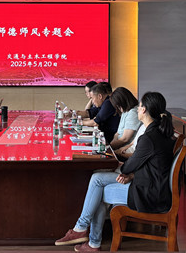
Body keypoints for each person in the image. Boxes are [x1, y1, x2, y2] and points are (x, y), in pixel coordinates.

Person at [55, 91, 176, 251]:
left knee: (98, 190)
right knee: (97, 179)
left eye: (140, 106)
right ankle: (84, 232)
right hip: (152, 186)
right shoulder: (159, 132)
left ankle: (88, 236)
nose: (137, 109)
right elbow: (151, 166)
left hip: (148, 194)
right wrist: (130, 174)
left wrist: (127, 171)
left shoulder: (149, 137)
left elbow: (129, 165)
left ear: (144, 109)